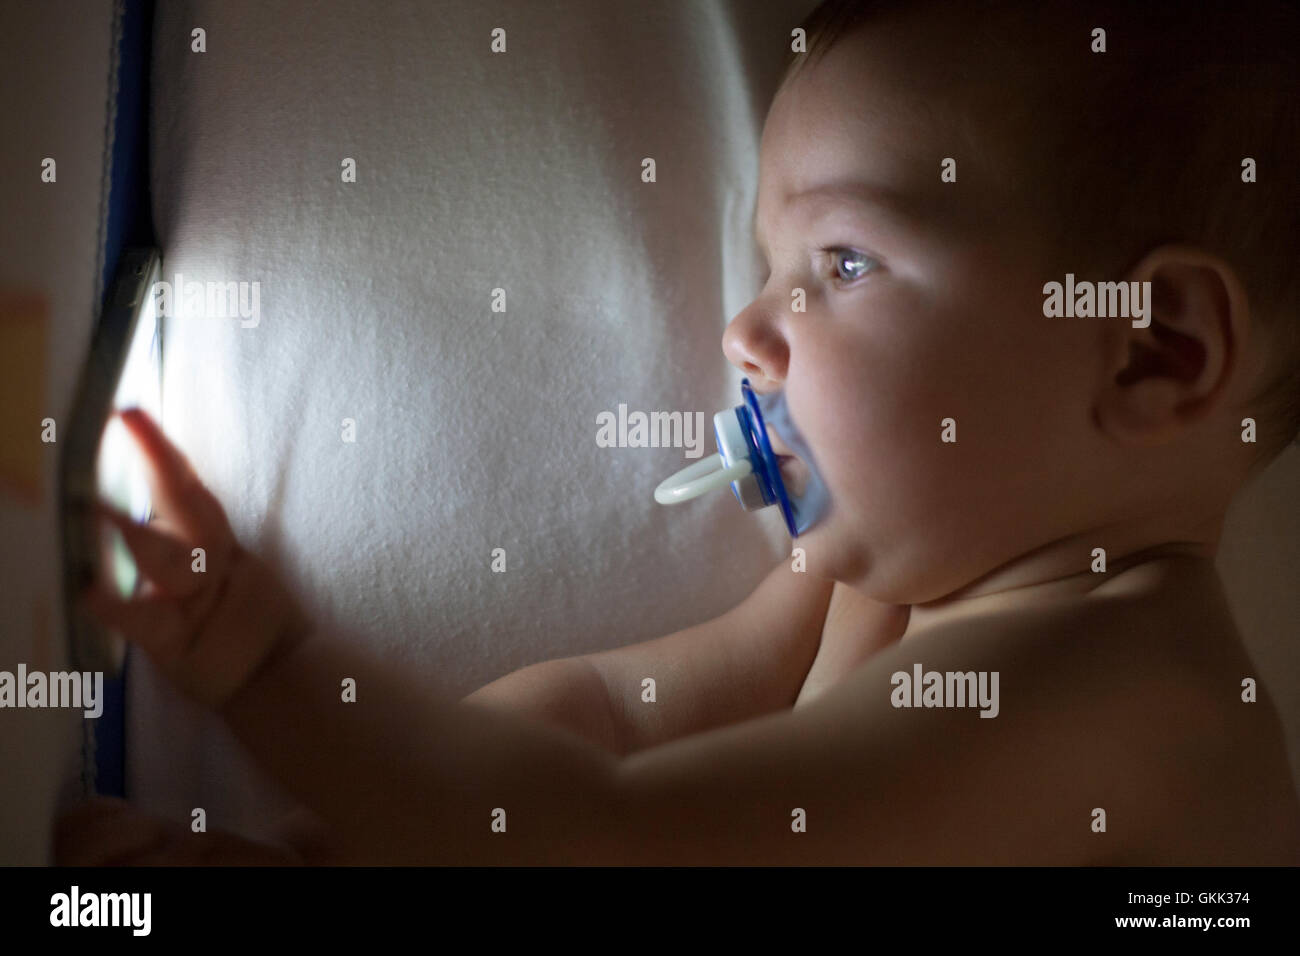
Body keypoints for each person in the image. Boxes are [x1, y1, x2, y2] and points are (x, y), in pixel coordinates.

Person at [57, 0, 1300, 864]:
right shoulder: (873, 586)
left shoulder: (1136, 700)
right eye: (772, 261)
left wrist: (266, 661)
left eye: (845, 259)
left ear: (1153, 348)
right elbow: (611, 716)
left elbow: (610, 839)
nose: (748, 326)